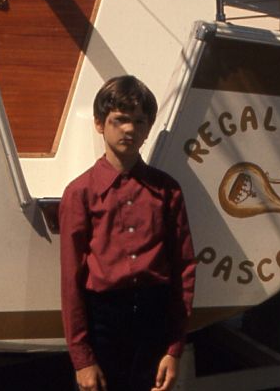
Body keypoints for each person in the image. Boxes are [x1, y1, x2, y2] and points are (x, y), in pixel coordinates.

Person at [60, 75, 197, 391]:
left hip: (154, 319)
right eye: (119, 120)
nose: (129, 129)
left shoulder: (167, 190)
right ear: (99, 124)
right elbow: (71, 279)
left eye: (139, 121)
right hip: (104, 321)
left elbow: (184, 269)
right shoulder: (81, 193)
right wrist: (82, 359)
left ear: (149, 128)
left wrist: (173, 348)